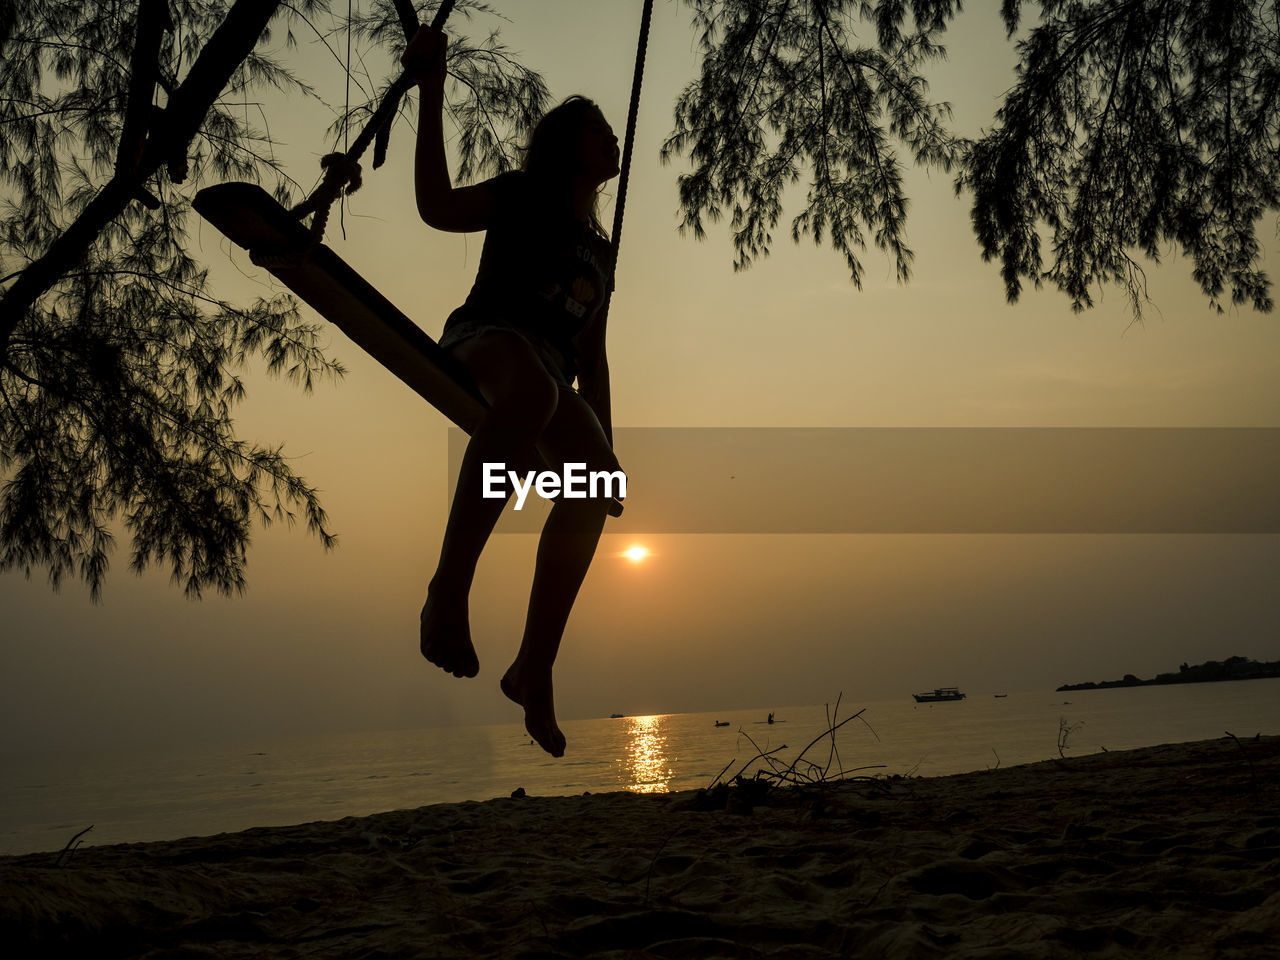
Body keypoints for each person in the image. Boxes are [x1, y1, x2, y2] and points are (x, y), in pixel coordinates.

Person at [402, 25, 624, 758]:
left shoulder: (602, 252)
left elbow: (592, 357)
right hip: (487, 342)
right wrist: (431, 87)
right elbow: (435, 206)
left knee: (594, 486)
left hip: (554, 380)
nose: (611, 138)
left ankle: (535, 665)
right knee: (532, 395)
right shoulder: (522, 193)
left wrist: (610, 450)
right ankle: (449, 591)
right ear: (565, 144)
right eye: (597, 130)